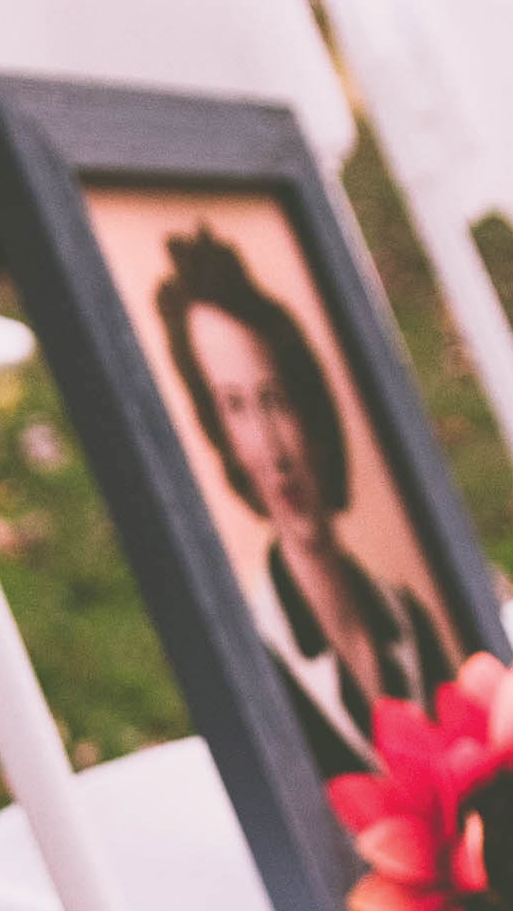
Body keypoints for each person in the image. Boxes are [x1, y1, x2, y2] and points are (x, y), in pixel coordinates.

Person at [154, 226, 460, 778]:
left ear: (312, 404)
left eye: (276, 399)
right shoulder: (254, 652)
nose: (273, 451)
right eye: (235, 407)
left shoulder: (408, 620)